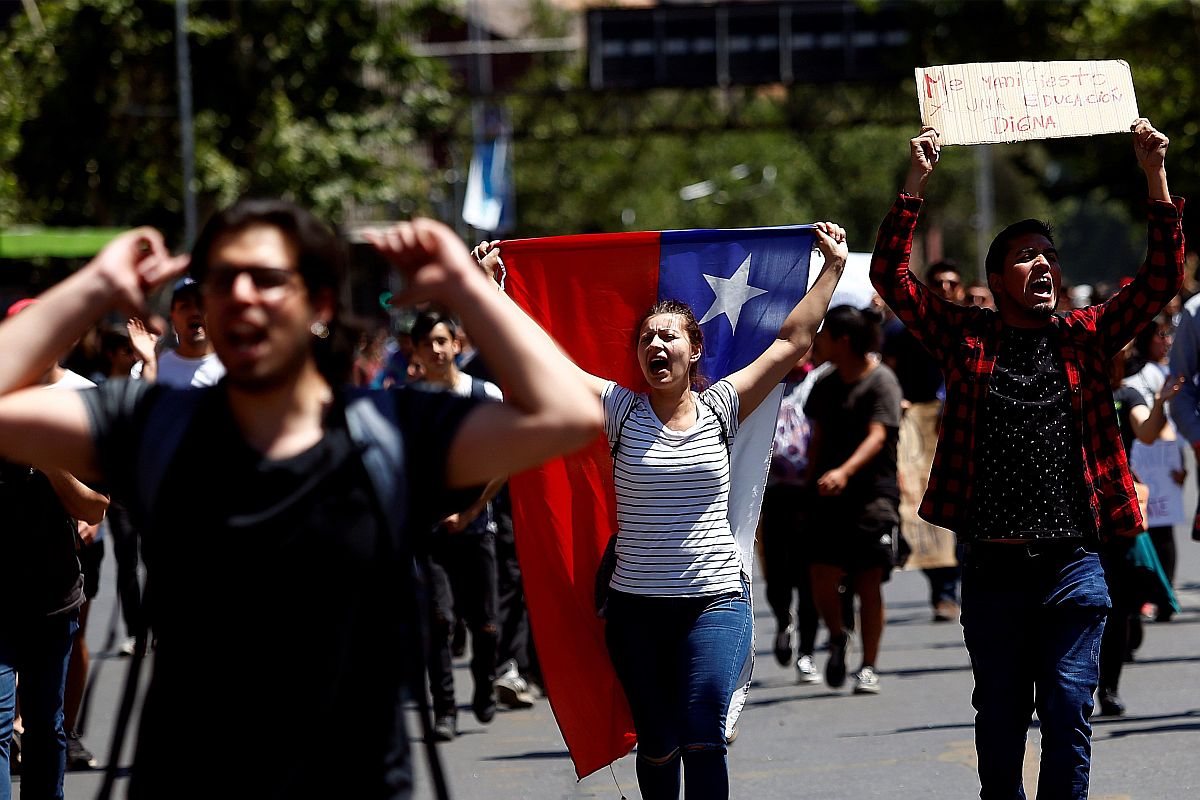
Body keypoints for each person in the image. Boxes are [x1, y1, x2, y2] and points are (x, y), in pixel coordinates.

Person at [0, 199, 603, 799]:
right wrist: (95, 285)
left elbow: (570, 415)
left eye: (266, 279)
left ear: (319, 304)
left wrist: (466, 285)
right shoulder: (154, 426)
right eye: (222, 280)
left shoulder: (388, 431)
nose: (241, 294)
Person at [478, 220, 848, 800]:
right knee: (657, 742)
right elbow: (541, 360)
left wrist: (832, 268)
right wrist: (493, 293)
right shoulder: (620, 410)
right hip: (636, 613)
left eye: (669, 336)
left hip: (716, 606)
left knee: (704, 737)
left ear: (693, 349)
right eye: (646, 338)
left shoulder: (723, 405)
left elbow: (791, 343)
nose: (656, 346)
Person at [870, 119, 1182, 800]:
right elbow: (890, 278)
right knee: (1003, 720)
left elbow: (1161, 277)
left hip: (1074, 564)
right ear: (995, 279)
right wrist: (916, 181)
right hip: (995, 572)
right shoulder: (965, 335)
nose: (1043, 265)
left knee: (1070, 713)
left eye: (1049, 255)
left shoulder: (1089, 335)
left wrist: (1152, 171)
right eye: (1024, 256)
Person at [0, 300, 109, 800]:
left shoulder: (82, 400)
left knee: (46, 727)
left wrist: (46, 460)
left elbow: (96, 508)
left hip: (53, 596)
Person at [408, 310, 505, 740]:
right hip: (427, 536)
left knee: (485, 625)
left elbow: (506, 460)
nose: (436, 349)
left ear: (457, 345)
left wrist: (468, 512)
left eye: (442, 340)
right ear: (415, 351)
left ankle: (484, 686)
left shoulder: (485, 395)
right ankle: (444, 710)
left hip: (475, 529)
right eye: (427, 342)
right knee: (439, 622)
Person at [804, 305, 903, 694]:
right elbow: (816, 438)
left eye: (823, 335)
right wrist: (807, 487)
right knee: (821, 576)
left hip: (872, 496)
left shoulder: (882, 382)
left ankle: (869, 665)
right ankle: (837, 634)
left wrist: (845, 472)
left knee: (868, 581)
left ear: (842, 341)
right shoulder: (826, 384)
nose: (817, 342)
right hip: (828, 496)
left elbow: (878, 435)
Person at [882, 261, 963, 622]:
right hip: (918, 427)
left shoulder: (974, 330)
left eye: (952, 283)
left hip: (961, 426)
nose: (946, 289)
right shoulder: (902, 331)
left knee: (964, 509)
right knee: (925, 507)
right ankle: (943, 591)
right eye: (939, 283)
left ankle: (960, 586)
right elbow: (889, 370)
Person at [130, 277, 225, 387]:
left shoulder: (231, 367)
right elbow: (143, 403)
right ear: (172, 316)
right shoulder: (154, 369)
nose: (195, 312)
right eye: (185, 306)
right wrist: (149, 364)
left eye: (201, 305)